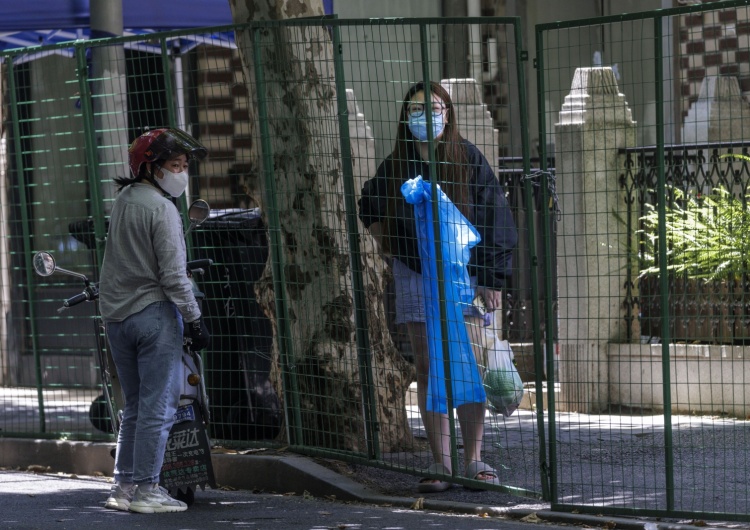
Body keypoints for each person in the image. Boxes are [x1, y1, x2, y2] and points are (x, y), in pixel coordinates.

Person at [358, 81, 518, 492]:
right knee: (429, 366)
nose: (425, 115)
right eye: (416, 109)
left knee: (468, 364)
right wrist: (387, 242)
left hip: (465, 277)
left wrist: (493, 279)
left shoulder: (468, 159)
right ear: (404, 117)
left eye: (433, 107)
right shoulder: (397, 164)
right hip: (417, 277)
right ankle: (441, 464)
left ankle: (474, 460)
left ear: (447, 113)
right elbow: (369, 202)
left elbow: (494, 217)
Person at [99, 128, 211, 513]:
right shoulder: (162, 209)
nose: (181, 174)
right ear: (151, 168)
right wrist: (194, 319)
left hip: (117, 319)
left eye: (184, 166)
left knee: (133, 406)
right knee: (157, 408)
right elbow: (174, 276)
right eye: (174, 166)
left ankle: (122, 488)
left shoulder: (126, 199)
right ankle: (147, 489)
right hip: (155, 317)